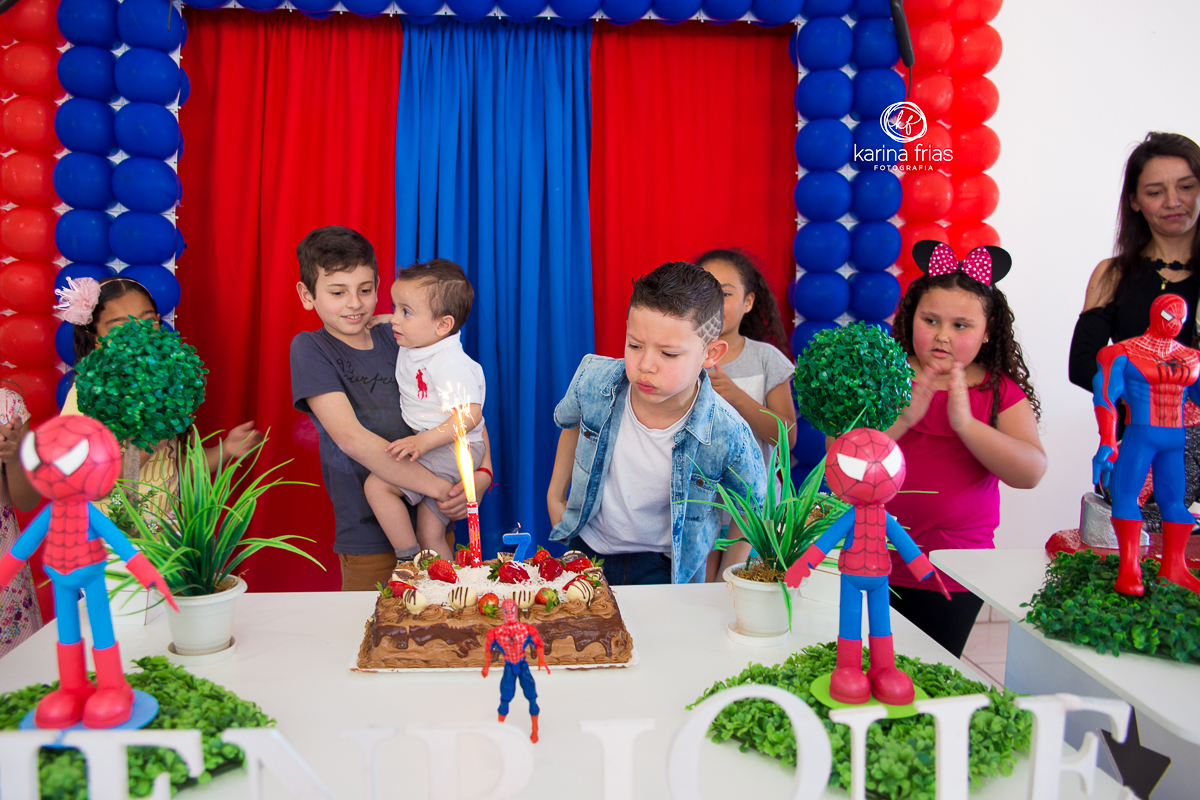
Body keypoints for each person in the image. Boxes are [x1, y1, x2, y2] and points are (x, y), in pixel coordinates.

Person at [290, 227, 492, 590]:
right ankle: (407, 557)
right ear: (307, 295)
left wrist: (482, 475)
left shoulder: (403, 334)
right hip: (368, 538)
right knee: (374, 637)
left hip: (435, 521)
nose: (354, 303)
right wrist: (441, 488)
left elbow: (464, 409)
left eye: (365, 290)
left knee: (445, 619)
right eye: (338, 292)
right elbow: (352, 439)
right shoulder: (311, 349)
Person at [546, 261, 767, 585]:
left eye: (669, 353)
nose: (645, 364)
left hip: (667, 568)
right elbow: (573, 422)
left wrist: (725, 580)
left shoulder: (727, 431)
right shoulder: (593, 379)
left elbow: (751, 507)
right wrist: (555, 496)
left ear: (711, 354)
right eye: (634, 345)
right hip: (586, 549)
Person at [885, 241, 1046, 657]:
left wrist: (966, 425)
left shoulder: (998, 391)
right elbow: (841, 461)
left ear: (988, 330)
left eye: (961, 325)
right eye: (931, 320)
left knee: (930, 671)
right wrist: (904, 417)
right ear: (909, 318)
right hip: (873, 559)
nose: (942, 335)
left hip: (955, 571)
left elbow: (1029, 472)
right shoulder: (886, 377)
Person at [1069, 132, 1200, 524]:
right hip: (1138, 445)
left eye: (1187, 187)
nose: (1173, 202)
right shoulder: (1114, 274)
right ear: (1134, 201)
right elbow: (1082, 366)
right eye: (1156, 191)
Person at [57, 276, 262, 518]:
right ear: (95, 337)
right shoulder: (85, 396)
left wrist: (226, 449)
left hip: (165, 540)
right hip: (113, 544)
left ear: (158, 323)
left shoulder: (167, 387)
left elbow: (177, 469)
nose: (138, 336)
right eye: (119, 328)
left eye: (147, 323)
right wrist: (146, 446)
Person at [363, 259, 486, 560]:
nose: (395, 319)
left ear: (443, 324)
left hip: (454, 446)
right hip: (443, 443)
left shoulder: (448, 363)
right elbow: (400, 322)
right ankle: (450, 593)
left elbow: (471, 415)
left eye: (405, 312)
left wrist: (423, 441)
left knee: (377, 485)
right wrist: (382, 320)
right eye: (394, 307)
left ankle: (407, 559)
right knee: (430, 533)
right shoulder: (419, 337)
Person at [696, 248, 797, 579]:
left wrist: (736, 396)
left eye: (725, 293)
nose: (714, 302)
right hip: (698, 504)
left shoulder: (766, 359)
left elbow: (787, 436)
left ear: (749, 302)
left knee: (737, 590)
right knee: (698, 594)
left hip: (755, 512)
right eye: (704, 291)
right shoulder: (681, 355)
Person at [0, 386, 42, 658]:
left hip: (4, 565)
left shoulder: (7, 405)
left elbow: (27, 500)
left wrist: (14, 459)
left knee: (17, 671)